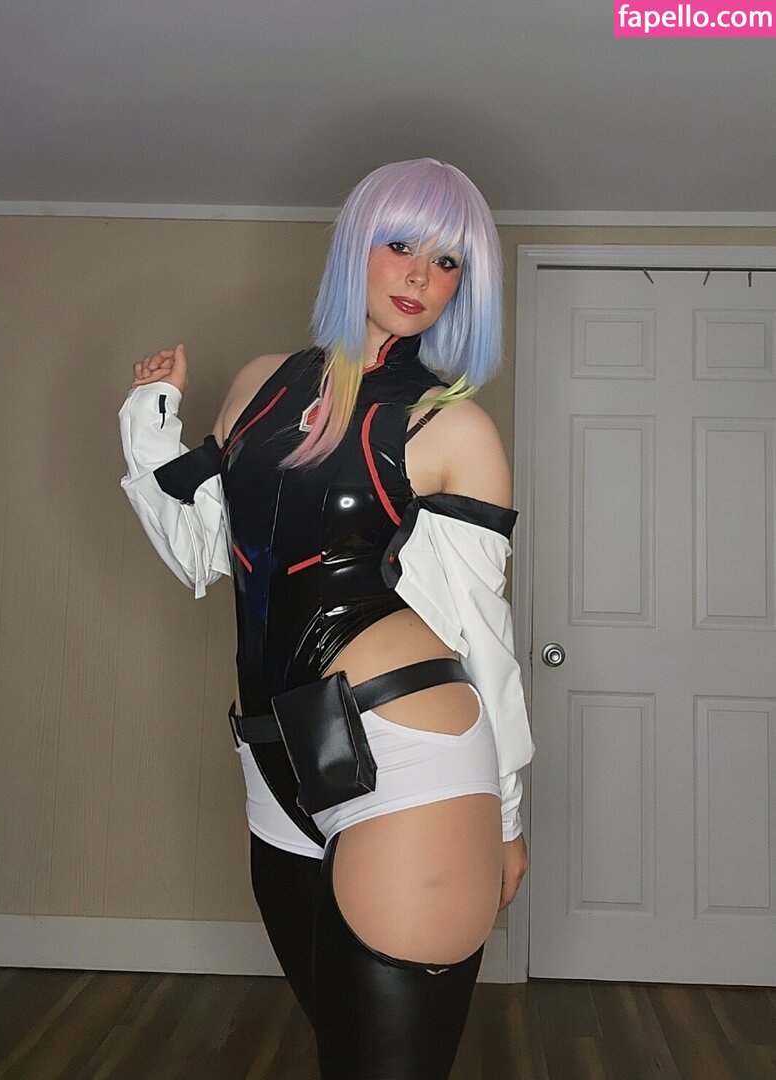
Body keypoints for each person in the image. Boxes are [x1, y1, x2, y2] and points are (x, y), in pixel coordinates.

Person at [118, 157, 535, 1079]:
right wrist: (149, 419)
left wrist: (504, 816)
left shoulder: (452, 427)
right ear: (355, 246)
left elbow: (484, 636)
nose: (422, 275)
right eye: (402, 244)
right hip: (272, 759)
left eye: (449, 260)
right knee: (346, 1052)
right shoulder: (262, 382)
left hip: (409, 759)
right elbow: (201, 553)